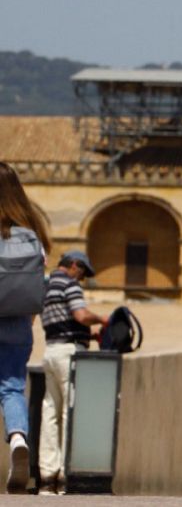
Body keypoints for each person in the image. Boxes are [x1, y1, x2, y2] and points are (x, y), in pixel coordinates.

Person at [0, 163, 49, 494]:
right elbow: (37, 282)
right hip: (19, 322)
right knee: (11, 389)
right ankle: (18, 437)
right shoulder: (33, 235)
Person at [37, 247, 102, 496]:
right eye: (82, 272)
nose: (82, 278)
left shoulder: (45, 285)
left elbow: (59, 321)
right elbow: (80, 315)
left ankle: (47, 475)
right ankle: (66, 474)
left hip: (51, 351)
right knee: (70, 411)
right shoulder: (70, 285)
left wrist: (87, 335)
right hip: (69, 354)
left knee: (49, 412)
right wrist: (103, 319)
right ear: (74, 265)